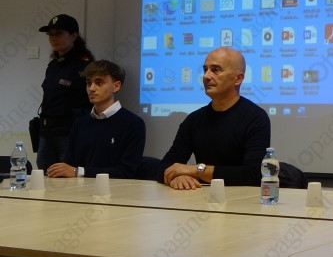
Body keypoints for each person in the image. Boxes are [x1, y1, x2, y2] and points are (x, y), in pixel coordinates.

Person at [160, 47, 271, 189]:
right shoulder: (194, 120)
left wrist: (197, 171)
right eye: (205, 69)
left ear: (238, 78)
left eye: (215, 70)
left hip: (242, 198)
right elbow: (165, 165)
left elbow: (254, 174)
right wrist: (177, 176)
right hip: (201, 197)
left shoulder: (255, 118)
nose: (206, 76)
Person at [46, 60, 145, 179]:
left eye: (99, 83)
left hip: (116, 188)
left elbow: (126, 172)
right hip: (78, 188)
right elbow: (69, 166)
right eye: (88, 83)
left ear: (116, 86)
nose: (91, 88)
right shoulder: (80, 123)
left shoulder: (134, 124)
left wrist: (79, 172)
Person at [37, 14, 95, 172]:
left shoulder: (85, 65)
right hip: (46, 132)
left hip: (69, 133)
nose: (53, 38)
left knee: (67, 176)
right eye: (50, 34)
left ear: (74, 36)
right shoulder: (53, 65)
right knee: (44, 175)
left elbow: (94, 101)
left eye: (59, 33)